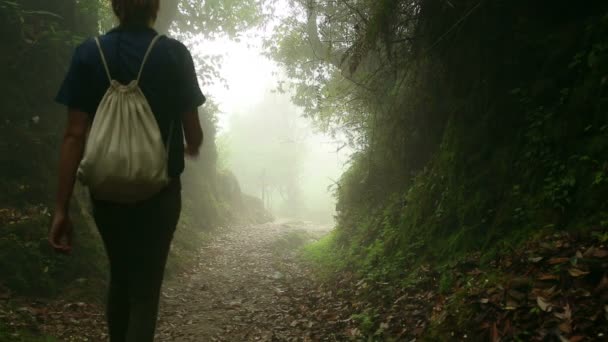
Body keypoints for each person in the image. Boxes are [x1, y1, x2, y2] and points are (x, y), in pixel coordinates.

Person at [49, 0, 205, 341]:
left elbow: (74, 135)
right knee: (145, 293)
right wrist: (187, 144)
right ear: (156, 7)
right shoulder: (174, 54)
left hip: (106, 192)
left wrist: (61, 209)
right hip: (160, 194)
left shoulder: (89, 53)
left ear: (114, 6)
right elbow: (194, 136)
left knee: (120, 278)